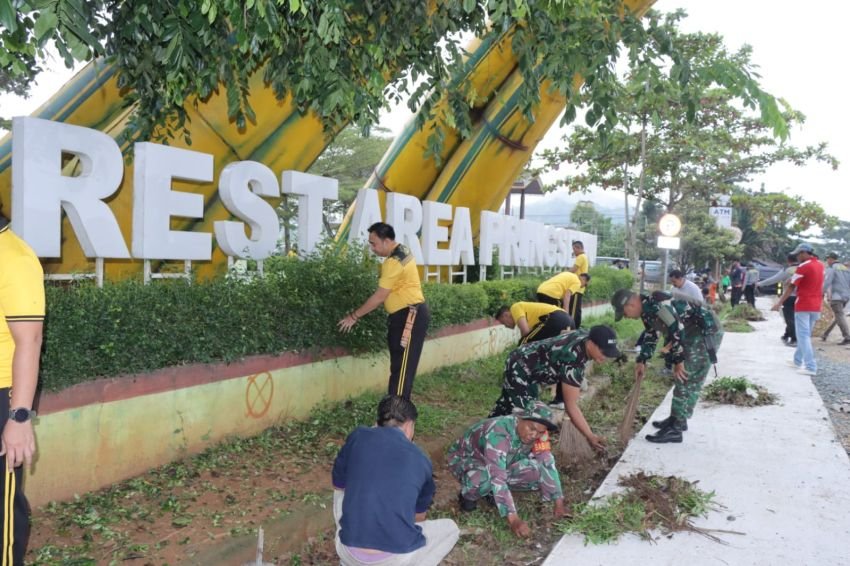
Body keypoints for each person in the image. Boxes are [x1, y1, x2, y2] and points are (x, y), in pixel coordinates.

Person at [332, 395, 459, 566]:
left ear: (377, 422)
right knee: (451, 529)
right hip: (395, 559)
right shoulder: (421, 459)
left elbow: (338, 485)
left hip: (348, 551)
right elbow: (418, 517)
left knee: (341, 492)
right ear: (409, 425)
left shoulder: (358, 436)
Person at [488, 325, 621, 452]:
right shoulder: (573, 362)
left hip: (527, 362)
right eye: (604, 352)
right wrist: (590, 436)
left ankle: (486, 430)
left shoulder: (588, 335)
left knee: (511, 403)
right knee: (527, 416)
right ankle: (508, 451)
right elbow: (571, 406)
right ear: (591, 343)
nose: (605, 358)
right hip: (521, 367)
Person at [611, 288, 719, 444]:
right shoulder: (647, 309)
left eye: (625, 313)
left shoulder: (657, 305)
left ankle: (676, 429)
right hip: (690, 333)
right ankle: (676, 420)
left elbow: (676, 329)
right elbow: (652, 334)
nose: (626, 317)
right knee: (682, 377)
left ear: (631, 304)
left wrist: (679, 361)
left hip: (703, 333)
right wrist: (642, 360)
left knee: (684, 377)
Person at [448, 401, 567, 538]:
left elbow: (547, 462)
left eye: (539, 432)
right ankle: (468, 496)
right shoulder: (499, 432)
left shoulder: (541, 433)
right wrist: (514, 520)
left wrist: (559, 503)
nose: (534, 435)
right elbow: (497, 476)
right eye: (531, 428)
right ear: (520, 419)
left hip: (503, 462)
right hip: (468, 460)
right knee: (483, 479)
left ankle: (494, 491)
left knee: (537, 471)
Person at [338, 223, 430, 399]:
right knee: (400, 368)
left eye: (374, 243)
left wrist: (353, 316)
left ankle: (396, 415)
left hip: (408, 317)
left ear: (387, 241)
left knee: (402, 371)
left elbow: (380, 296)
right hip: (407, 315)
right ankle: (395, 412)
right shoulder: (402, 250)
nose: (372, 248)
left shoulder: (393, 262)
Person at [0, 214, 44, 564]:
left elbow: (29, 340)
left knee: (1, 514)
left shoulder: (14, 257)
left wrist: (18, 417)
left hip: (3, 398)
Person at [773, 243, 824, 376]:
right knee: (805, 335)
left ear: (804, 253)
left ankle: (810, 366)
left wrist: (779, 302)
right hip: (816, 305)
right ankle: (797, 361)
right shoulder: (820, 265)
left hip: (804, 304)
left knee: (803, 336)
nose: (797, 257)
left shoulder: (803, 266)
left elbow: (791, 287)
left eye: (799, 254)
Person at [758, 254, 799, 346]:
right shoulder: (803, 269)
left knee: (790, 319)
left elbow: (774, 279)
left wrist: (760, 284)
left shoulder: (788, 270)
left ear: (789, 261)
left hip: (788, 297)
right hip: (801, 298)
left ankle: (794, 339)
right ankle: (786, 335)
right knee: (795, 318)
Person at [494, 302, 574, 345]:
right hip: (569, 321)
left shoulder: (515, 307)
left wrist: (522, 343)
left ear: (505, 315)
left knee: (524, 344)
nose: (505, 326)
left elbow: (525, 332)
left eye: (503, 322)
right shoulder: (529, 314)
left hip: (555, 318)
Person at [821, 251, 850, 345]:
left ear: (830, 259)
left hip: (836, 296)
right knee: (839, 315)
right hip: (846, 296)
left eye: (827, 259)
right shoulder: (845, 268)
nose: (827, 261)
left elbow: (827, 282)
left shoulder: (831, 268)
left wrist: (821, 293)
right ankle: (825, 334)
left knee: (840, 315)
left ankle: (847, 337)